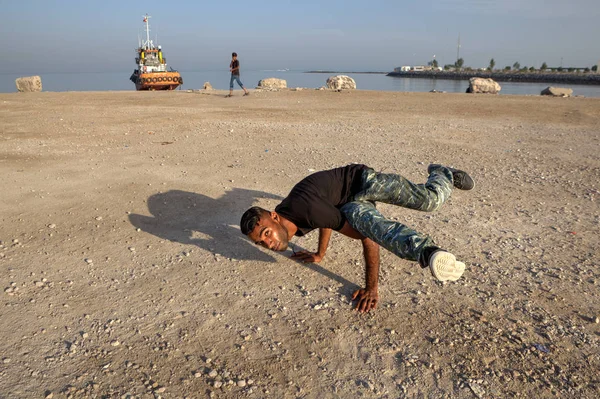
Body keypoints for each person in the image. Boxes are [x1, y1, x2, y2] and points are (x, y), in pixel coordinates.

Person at [240, 164, 474, 313]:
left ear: (274, 217)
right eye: (261, 242)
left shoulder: (305, 209)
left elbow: (367, 237)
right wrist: (320, 254)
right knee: (366, 221)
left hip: (361, 180)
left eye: (266, 233)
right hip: (345, 204)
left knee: (430, 201)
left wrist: (372, 288)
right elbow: (325, 220)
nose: (268, 244)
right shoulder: (289, 219)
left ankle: (443, 173)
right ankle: (429, 253)